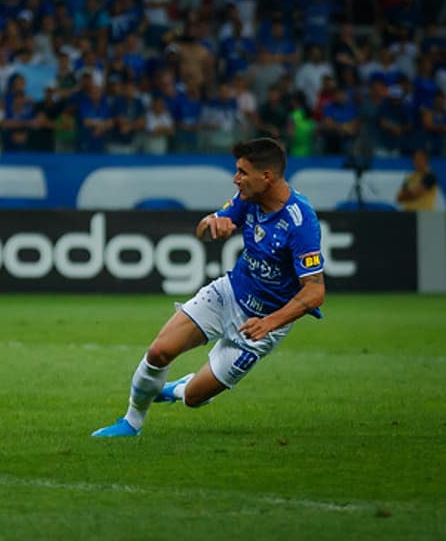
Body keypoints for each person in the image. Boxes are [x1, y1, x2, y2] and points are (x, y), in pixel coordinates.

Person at [92, 138, 326, 437]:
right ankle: (131, 423)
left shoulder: (300, 220)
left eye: (242, 171)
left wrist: (269, 323)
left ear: (266, 176)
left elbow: (315, 291)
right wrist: (211, 224)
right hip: (229, 293)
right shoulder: (247, 197)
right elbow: (202, 231)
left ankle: (180, 388)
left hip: (262, 325)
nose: (235, 178)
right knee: (159, 351)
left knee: (193, 399)